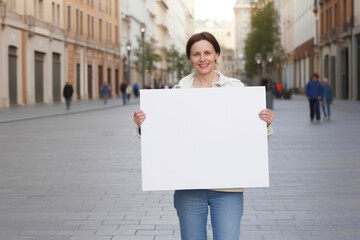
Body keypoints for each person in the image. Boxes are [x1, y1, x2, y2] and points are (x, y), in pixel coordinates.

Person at [133, 32, 274, 240]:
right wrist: (144, 125)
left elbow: (253, 139)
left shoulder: (236, 89)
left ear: (217, 54)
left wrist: (264, 123)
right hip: (189, 185)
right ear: (190, 58)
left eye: (207, 52)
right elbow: (164, 139)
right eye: (196, 54)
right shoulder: (177, 92)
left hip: (228, 185)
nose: (202, 58)